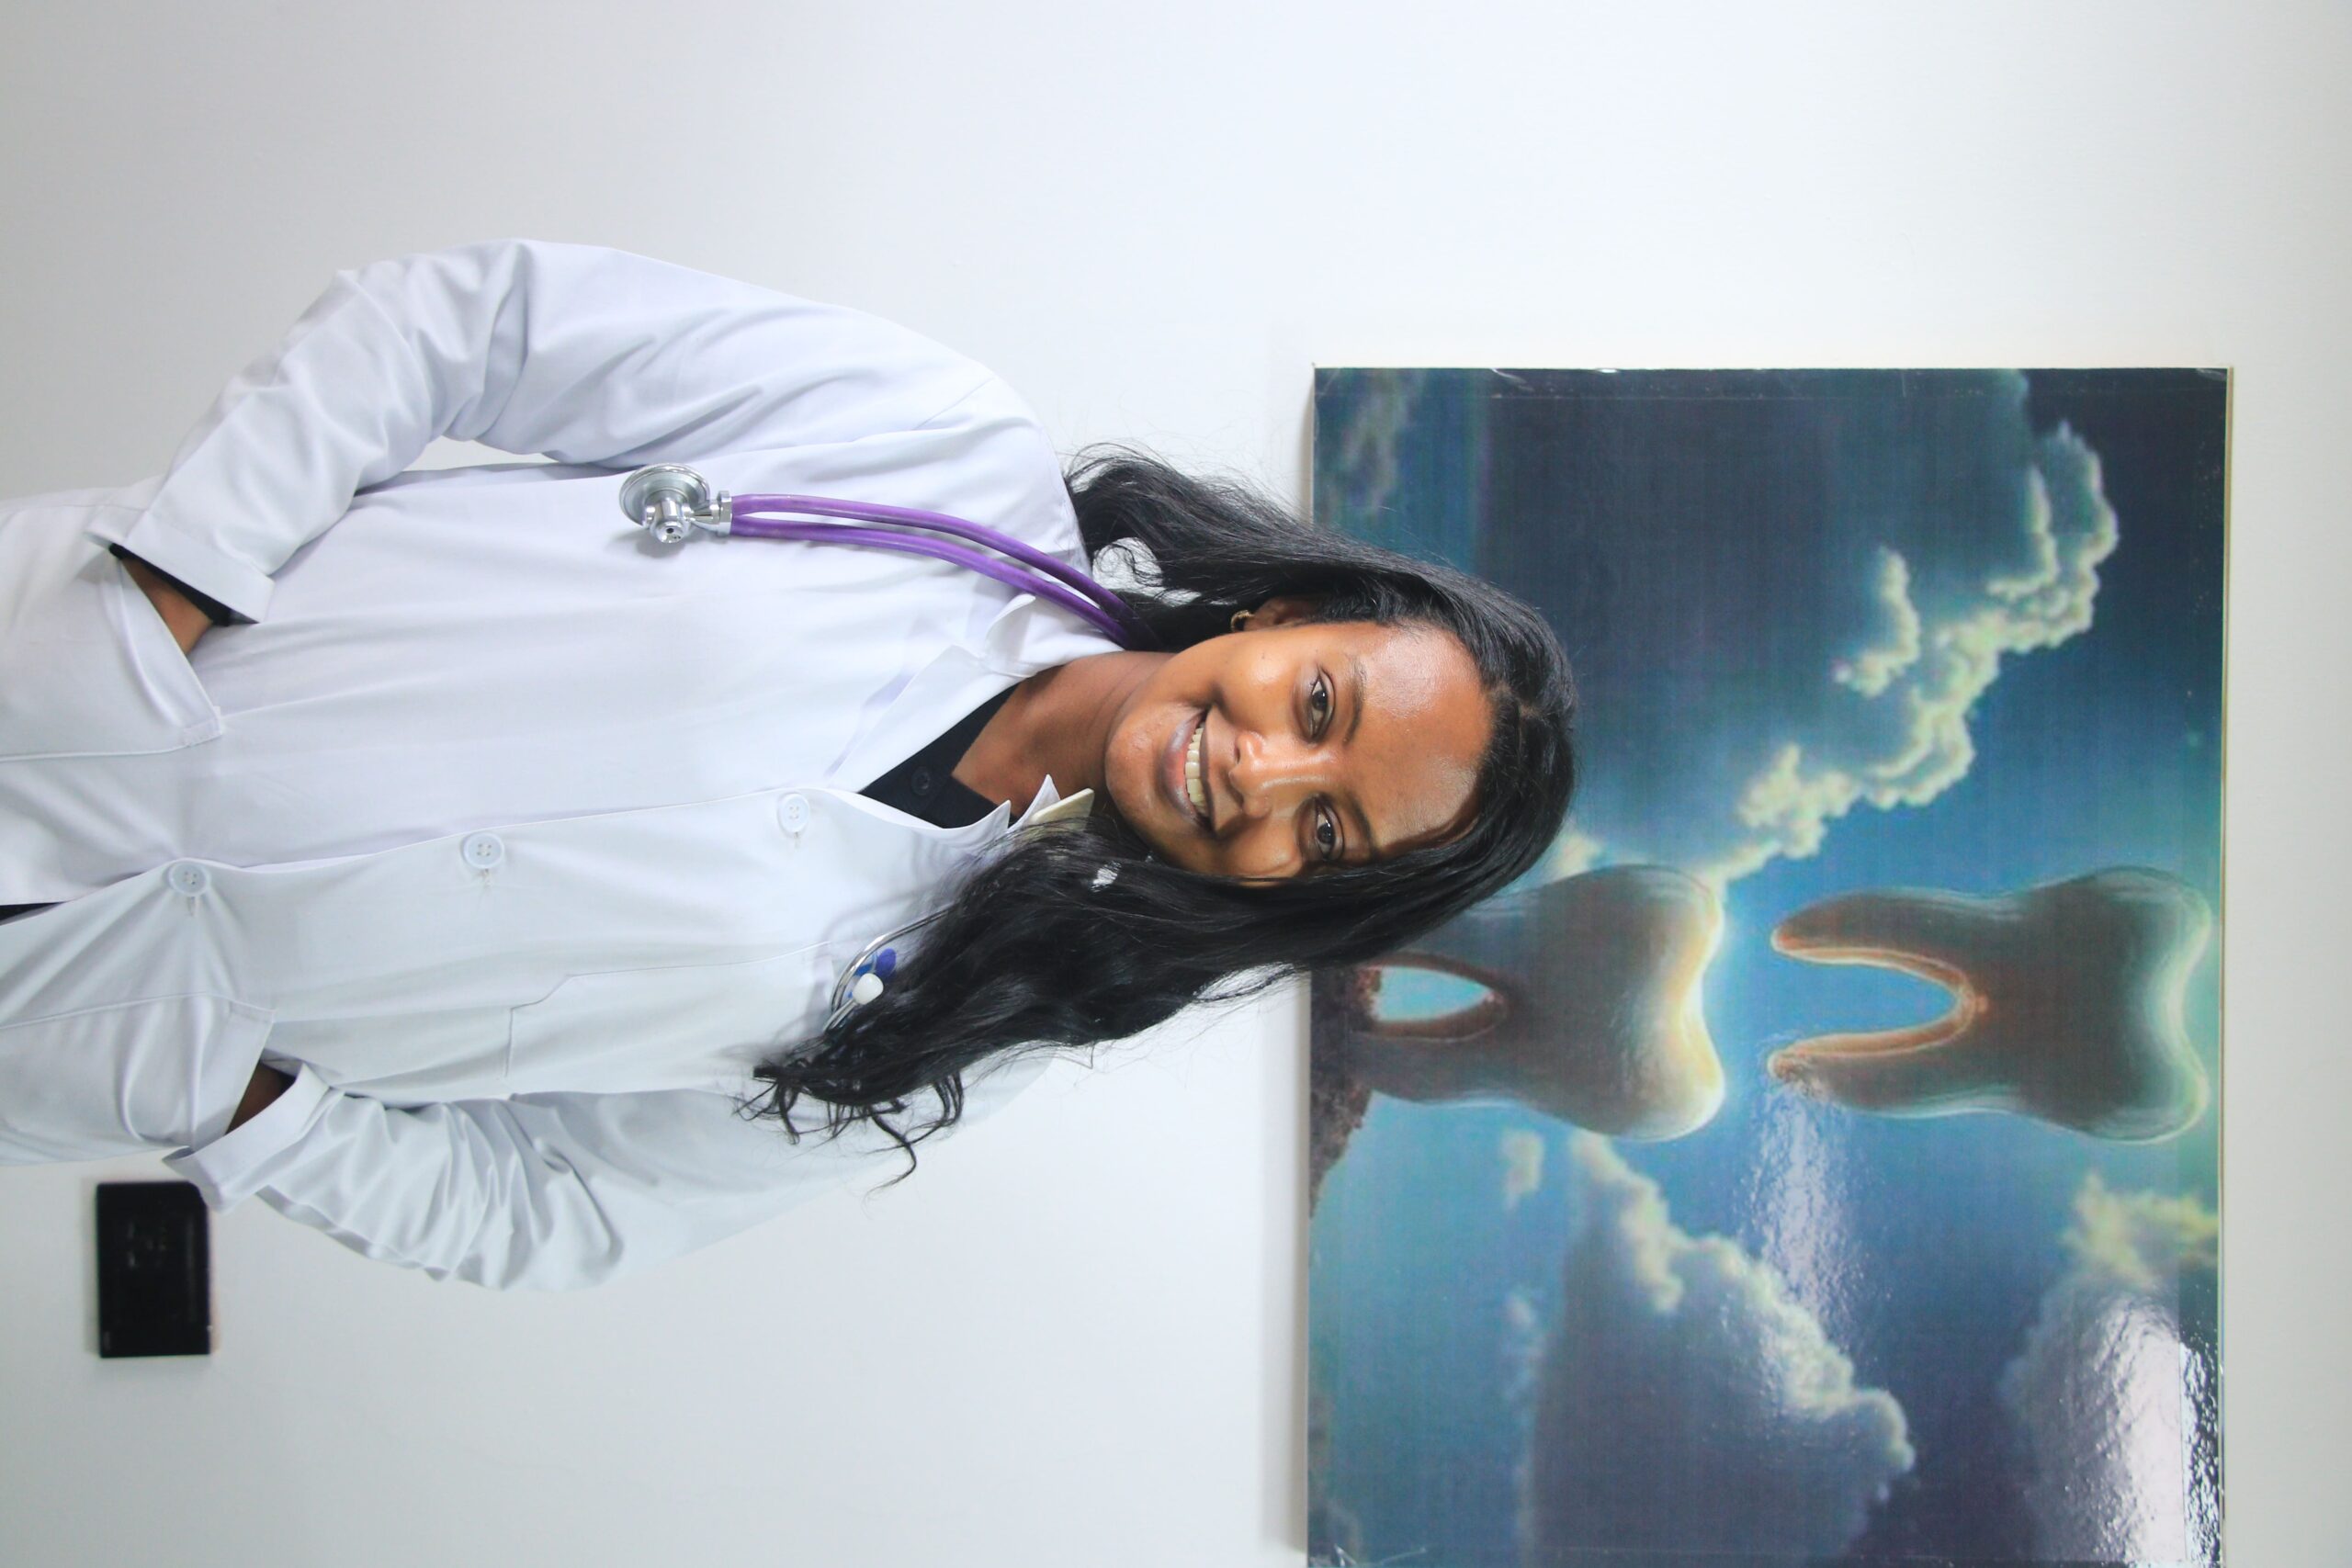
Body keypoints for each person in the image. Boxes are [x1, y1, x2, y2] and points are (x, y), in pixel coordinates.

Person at [0, 240, 1576, 1289]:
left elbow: (564, 1214)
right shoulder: (934, 449)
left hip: (77, 1021)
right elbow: (473, 324)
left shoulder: (980, 1018)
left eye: (1328, 833)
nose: (1263, 775)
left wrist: (242, 1102)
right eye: (1319, 705)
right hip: (66, 664)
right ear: (1285, 610)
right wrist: (179, 581)